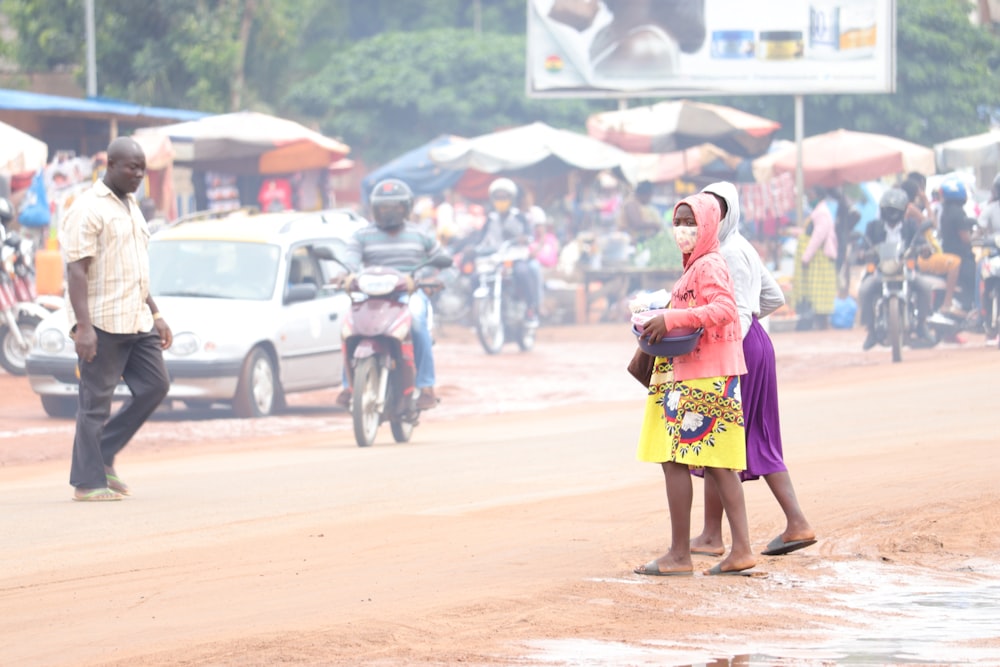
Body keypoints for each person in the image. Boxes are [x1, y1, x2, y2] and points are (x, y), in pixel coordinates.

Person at [689, 182, 815, 559]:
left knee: (720, 439)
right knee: (750, 436)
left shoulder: (727, 252)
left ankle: (719, 535)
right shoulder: (739, 246)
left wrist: (726, 347)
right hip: (754, 345)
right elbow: (773, 297)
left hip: (739, 349)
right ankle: (790, 524)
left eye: (714, 210)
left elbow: (741, 311)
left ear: (726, 213)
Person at [632, 192, 755, 577]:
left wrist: (671, 319)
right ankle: (735, 551)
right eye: (678, 222)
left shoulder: (710, 266)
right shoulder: (695, 267)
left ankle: (682, 555)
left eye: (690, 223)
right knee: (708, 464)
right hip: (689, 373)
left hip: (704, 376)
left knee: (685, 462)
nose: (682, 230)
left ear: (708, 226)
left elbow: (724, 309)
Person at [59, 137, 172, 502]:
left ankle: (103, 453)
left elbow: (135, 268)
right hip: (102, 320)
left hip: (136, 318)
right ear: (110, 165)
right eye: (131, 167)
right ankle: (88, 482)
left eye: (142, 168)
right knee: (95, 403)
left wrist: (155, 313)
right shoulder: (88, 208)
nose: (138, 174)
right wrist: (84, 326)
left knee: (155, 386)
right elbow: (77, 271)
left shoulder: (131, 205)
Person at [336, 178, 449, 411]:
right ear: (374, 209)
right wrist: (344, 275)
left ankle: (426, 386)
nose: (389, 212)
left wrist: (424, 279)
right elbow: (350, 261)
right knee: (349, 328)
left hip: (409, 296)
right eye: (383, 207)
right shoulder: (361, 236)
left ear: (406, 208)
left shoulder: (421, 235)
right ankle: (349, 386)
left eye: (395, 207)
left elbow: (439, 260)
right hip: (372, 298)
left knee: (417, 324)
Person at [857, 187, 935, 350]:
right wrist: (863, 253)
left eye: (895, 210)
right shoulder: (873, 227)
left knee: (926, 287)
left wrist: (924, 249)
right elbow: (864, 245)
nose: (892, 214)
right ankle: (871, 331)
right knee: (864, 290)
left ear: (903, 211)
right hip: (881, 271)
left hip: (906, 270)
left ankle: (922, 324)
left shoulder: (910, 226)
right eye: (889, 210)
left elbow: (920, 242)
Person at [475, 178, 541, 325]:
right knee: (476, 277)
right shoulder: (490, 219)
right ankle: (477, 316)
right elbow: (480, 239)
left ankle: (531, 309)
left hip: (514, 257)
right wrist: (472, 248)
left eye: (504, 197)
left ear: (511, 199)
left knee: (523, 272)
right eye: (497, 197)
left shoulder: (519, 217)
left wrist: (524, 238)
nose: (501, 201)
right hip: (495, 259)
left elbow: (530, 234)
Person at [901, 178, 962, 316]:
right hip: (920, 255)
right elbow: (932, 222)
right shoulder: (910, 208)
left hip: (918, 252)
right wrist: (926, 201)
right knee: (955, 262)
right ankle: (947, 303)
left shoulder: (905, 208)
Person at [794, 188, 839, 329]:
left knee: (819, 293)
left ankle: (822, 324)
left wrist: (806, 256)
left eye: (811, 195)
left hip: (819, 259)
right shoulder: (818, 211)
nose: (809, 198)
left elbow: (818, 236)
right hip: (816, 259)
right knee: (813, 292)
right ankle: (819, 323)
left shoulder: (821, 213)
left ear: (818, 196)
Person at [938, 179, 977, 314]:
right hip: (961, 257)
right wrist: (976, 236)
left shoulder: (945, 211)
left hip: (948, 253)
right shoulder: (959, 212)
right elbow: (965, 238)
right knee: (977, 273)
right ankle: (974, 307)